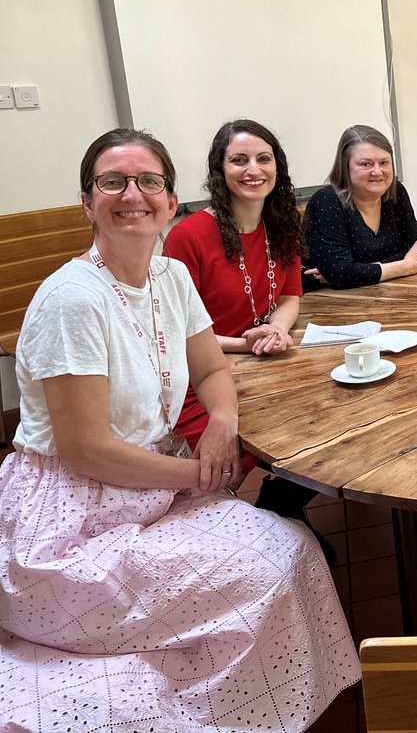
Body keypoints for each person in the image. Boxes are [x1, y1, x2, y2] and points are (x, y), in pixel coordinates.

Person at [0, 128, 359, 731]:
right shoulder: (73, 301)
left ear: (170, 201)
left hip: (148, 489)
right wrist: (201, 470)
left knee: (291, 551)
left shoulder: (168, 277)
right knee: (272, 565)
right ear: (88, 202)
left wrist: (222, 420)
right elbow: (86, 450)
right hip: (71, 521)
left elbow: (212, 366)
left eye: (149, 182)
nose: (132, 194)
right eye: (113, 182)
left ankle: (246, 709)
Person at [163, 119, 327, 551]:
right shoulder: (188, 235)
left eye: (263, 159)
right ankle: (258, 536)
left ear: (278, 167)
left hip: (261, 362)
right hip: (202, 377)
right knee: (232, 461)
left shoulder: (281, 222)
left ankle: (281, 504)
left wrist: (275, 328)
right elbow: (173, 332)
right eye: (238, 160)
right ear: (220, 170)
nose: (253, 169)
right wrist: (246, 344)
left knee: (335, 421)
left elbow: (292, 294)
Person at [303, 124, 417, 290]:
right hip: (328, 301)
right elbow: (340, 275)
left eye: (384, 162)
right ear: (345, 166)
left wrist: (355, 271)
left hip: (386, 292)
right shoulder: (326, 201)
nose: (377, 171)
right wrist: (404, 266)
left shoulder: (396, 192)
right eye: (366, 164)